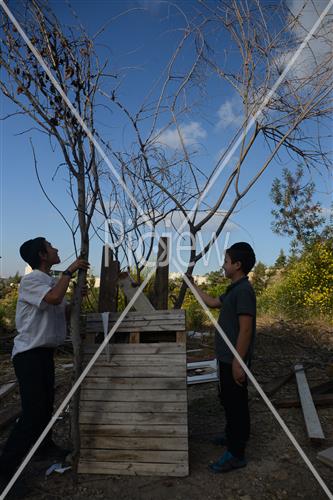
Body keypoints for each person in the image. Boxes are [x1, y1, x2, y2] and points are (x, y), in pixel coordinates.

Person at [0, 237, 89, 490]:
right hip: (28, 355)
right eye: (51, 247)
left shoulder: (50, 282)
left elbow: (60, 310)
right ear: (42, 255)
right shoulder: (32, 280)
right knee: (32, 414)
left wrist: (74, 301)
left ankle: (43, 447)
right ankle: (5, 470)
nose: (57, 249)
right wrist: (70, 272)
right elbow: (52, 299)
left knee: (46, 406)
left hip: (44, 354)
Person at [187, 242, 256, 473]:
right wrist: (193, 287)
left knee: (235, 404)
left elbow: (246, 330)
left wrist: (238, 362)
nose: (223, 265)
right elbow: (213, 303)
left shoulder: (244, 291)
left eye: (226, 261)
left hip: (233, 360)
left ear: (237, 265)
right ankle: (233, 437)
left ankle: (236, 454)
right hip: (227, 358)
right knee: (229, 400)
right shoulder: (233, 289)